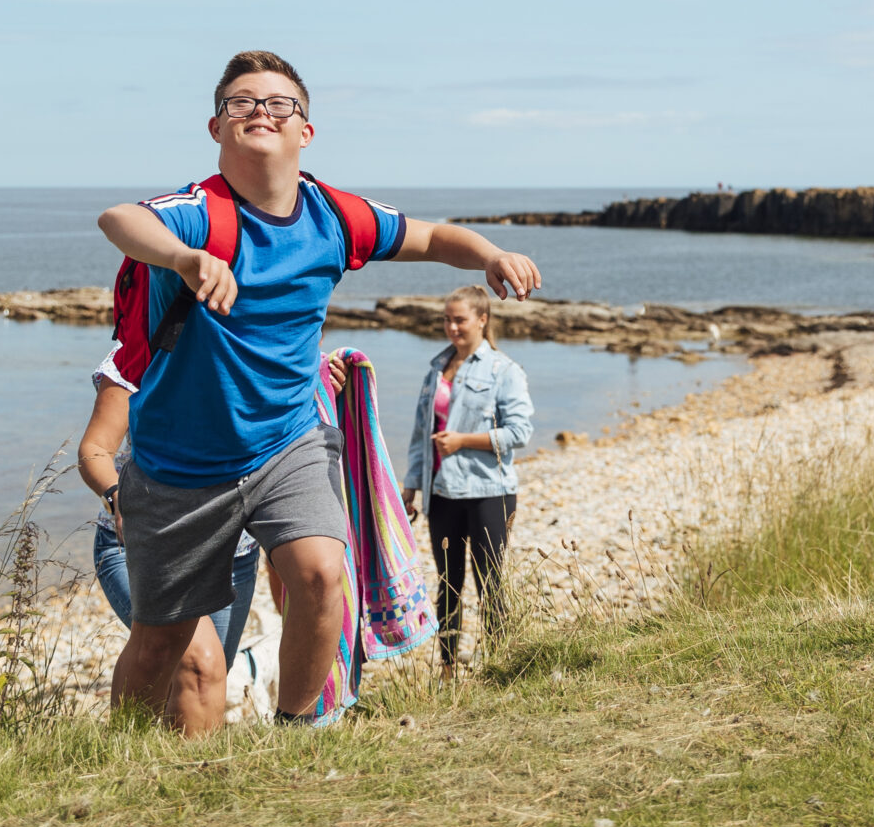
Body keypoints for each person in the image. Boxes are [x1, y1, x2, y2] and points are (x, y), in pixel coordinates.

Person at [94, 49, 540, 733]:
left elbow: (427, 235)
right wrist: (186, 257)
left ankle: (299, 731)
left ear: (306, 130)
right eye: (242, 102)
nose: (260, 112)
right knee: (162, 645)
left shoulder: (334, 215)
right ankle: (119, 755)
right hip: (181, 465)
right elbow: (120, 218)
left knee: (323, 574)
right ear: (216, 127)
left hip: (289, 440)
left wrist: (486, 254)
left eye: (279, 103)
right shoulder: (196, 212)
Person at [77, 370, 260, 725]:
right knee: (198, 664)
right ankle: (133, 766)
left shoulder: (249, 348)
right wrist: (119, 498)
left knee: (207, 675)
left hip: (233, 552)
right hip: (142, 544)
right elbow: (94, 449)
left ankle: (172, 769)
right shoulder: (135, 355)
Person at [401, 285, 534, 679]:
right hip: (440, 492)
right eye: (446, 319)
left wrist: (464, 442)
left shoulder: (503, 371)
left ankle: (500, 666)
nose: (452, 327)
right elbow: (419, 434)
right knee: (448, 585)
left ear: (482, 319)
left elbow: (520, 432)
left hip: (488, 492)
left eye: (459, 319)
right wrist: (411, 485)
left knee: (490, 583)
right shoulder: (435, 369)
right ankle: (447, 669)